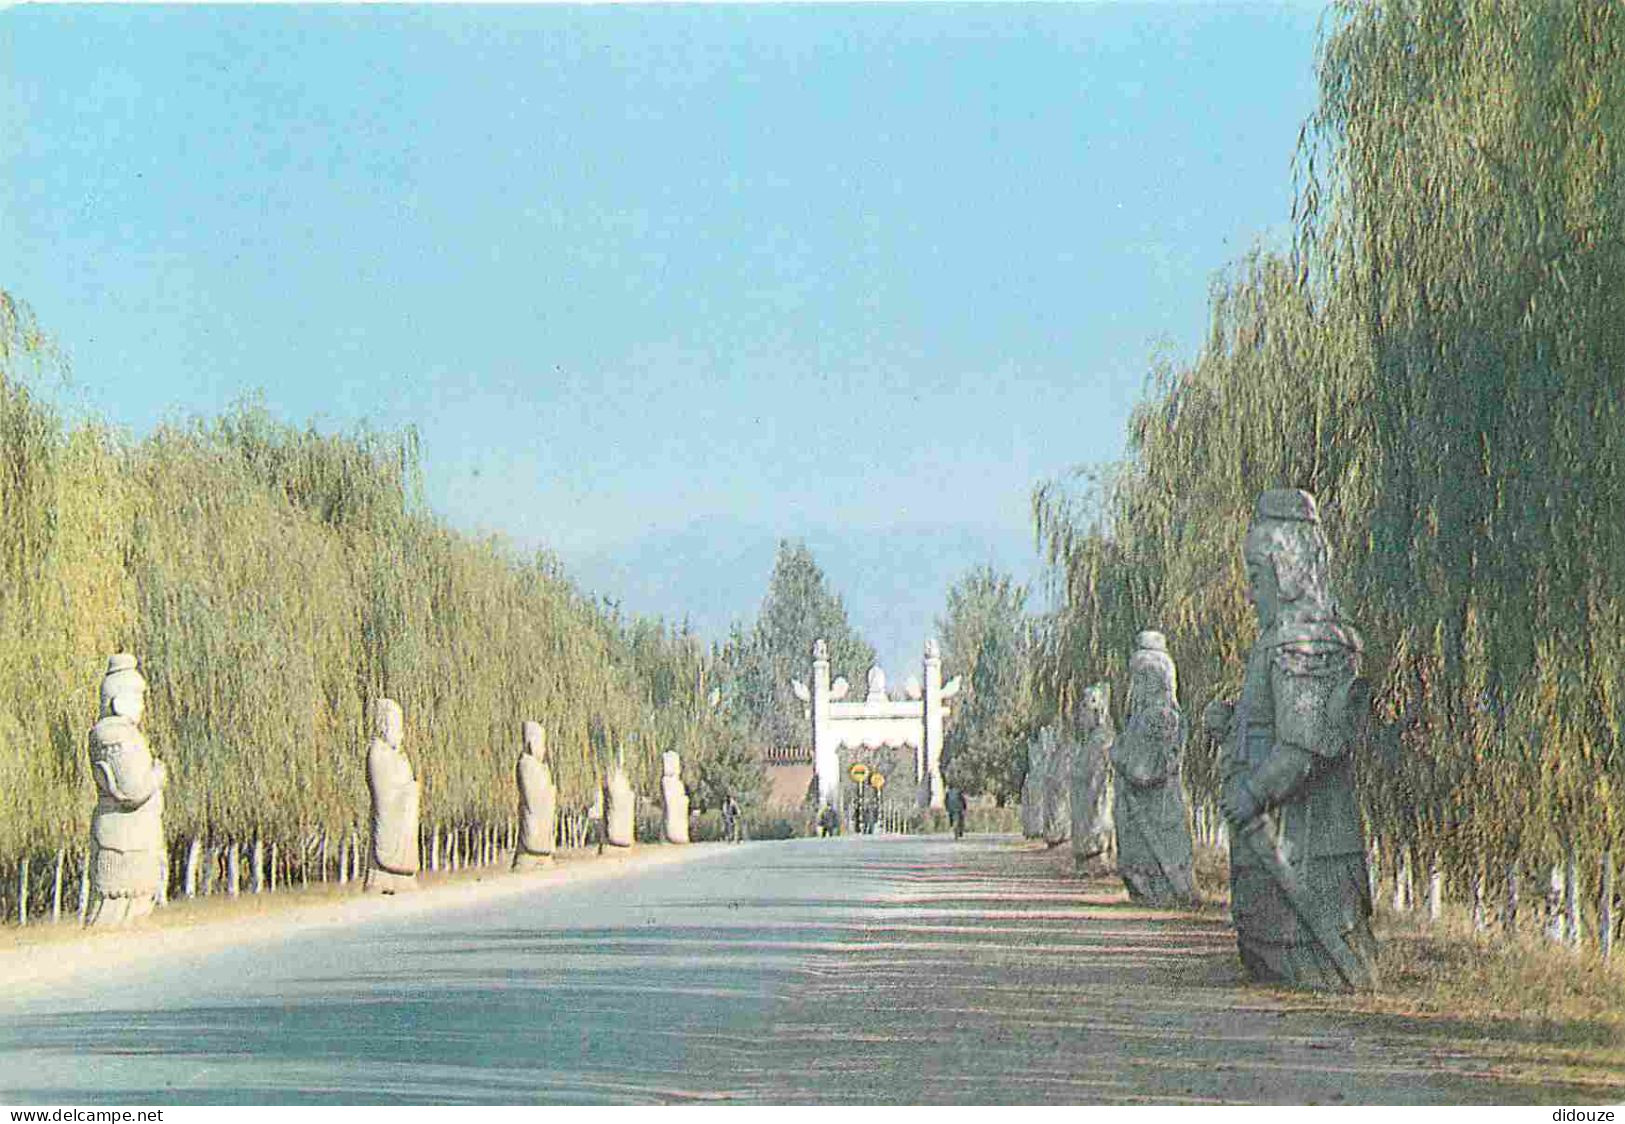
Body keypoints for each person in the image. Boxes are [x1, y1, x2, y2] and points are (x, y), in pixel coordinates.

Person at [1217, 488, 1377, 990]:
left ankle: (1331, 975)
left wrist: (1255, 791)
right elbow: (1273, 723)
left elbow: (1305, 743)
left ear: (1287, 572)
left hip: (1304, 837)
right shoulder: (1278, 639)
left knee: (1311, 942)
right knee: (1271, 939)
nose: (1250, 594)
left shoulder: (1308, 641)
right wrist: (1233, 722)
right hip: (1277, 839)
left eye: (1256, 579)